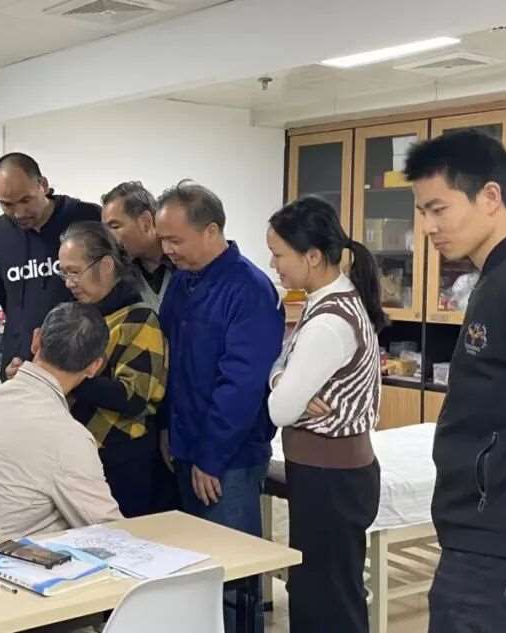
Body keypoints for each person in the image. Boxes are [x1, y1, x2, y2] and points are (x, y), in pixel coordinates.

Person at [405, 131, 506, 633]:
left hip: (501, 551)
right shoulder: (498, 281)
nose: (429, 227)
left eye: (439, 209)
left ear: (490, 196)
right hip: (490, 542)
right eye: (423, 212)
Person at [157, 181, 283, 630]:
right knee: (195, 569)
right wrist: (168, 429)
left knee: (233, 574)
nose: (167, 250)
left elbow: (240, 386)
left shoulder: (249, 289)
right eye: (163, 240)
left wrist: (210, 457)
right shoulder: (182, 283)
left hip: (228, 459)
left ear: (211, 231)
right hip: (185, 448)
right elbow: (171, 363)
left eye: (175, 240)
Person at [266, 196, 386, 633]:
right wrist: (282, 378)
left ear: (312, 256)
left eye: (279, 254)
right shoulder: (328, 302)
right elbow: (281, 370)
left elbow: (279, 410)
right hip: (330, 473)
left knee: (327, 598)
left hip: (330, 478)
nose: (274, 265)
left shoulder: (328, 323)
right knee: (323, 590)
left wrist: (282, 386)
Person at [0, 302, 122, 540]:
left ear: (36, 340)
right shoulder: (68, 436)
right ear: (94, 367)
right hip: (13, 558)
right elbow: (109, 531)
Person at [58, 221, 174, 517]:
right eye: (63, 273)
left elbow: (133, 397)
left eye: (75, 272)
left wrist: (68, 379)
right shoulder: (75, 316)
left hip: (123, 457)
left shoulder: (139, 319)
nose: (69, 283)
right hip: (76, 453)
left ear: (106, 265)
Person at [0, 153, 101, 381]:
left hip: (80, 363)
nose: (19, 213)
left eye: (26, 200)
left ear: (43, 185)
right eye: (7, 204)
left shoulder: (88, 218)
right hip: (20, 366)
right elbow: (9, 301)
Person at [100, 181, 174, 310]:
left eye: (115, 226)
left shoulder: (186, 261)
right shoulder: (120, 275)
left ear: (146, 222)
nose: (108, 237)